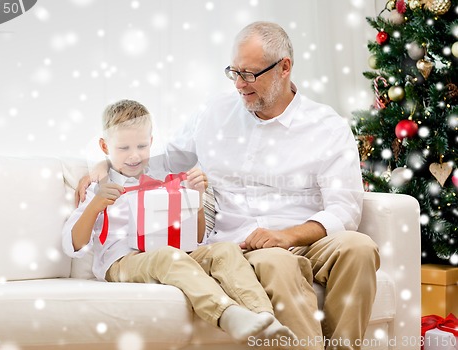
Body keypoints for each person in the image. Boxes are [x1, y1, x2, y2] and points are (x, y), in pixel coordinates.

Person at [77, 22, 380, 350]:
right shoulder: (214, 114)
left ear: (284, 68)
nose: (238, 84)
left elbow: (345, 209)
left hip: (305, 237)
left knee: (359, 247)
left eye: (249, 74)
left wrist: (288, 235)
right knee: (278, 261)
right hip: (243, 246)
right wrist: (105, 167)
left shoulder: (326, 127)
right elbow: (164, 162)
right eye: (233, 72)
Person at [63, 99, 295, 346]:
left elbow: (196, 239)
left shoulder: (163, 178)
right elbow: (73, 244)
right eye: (123, 148)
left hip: (173, 251)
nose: (134, 155)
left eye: (142, 146)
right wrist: (96, 205)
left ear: (151, 142)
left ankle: (264, 317)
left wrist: (195, 200)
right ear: (104, 146)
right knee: (168, 257)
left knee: (224, 249)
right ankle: (227, 315)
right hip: (121, 262)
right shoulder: (99, 185)